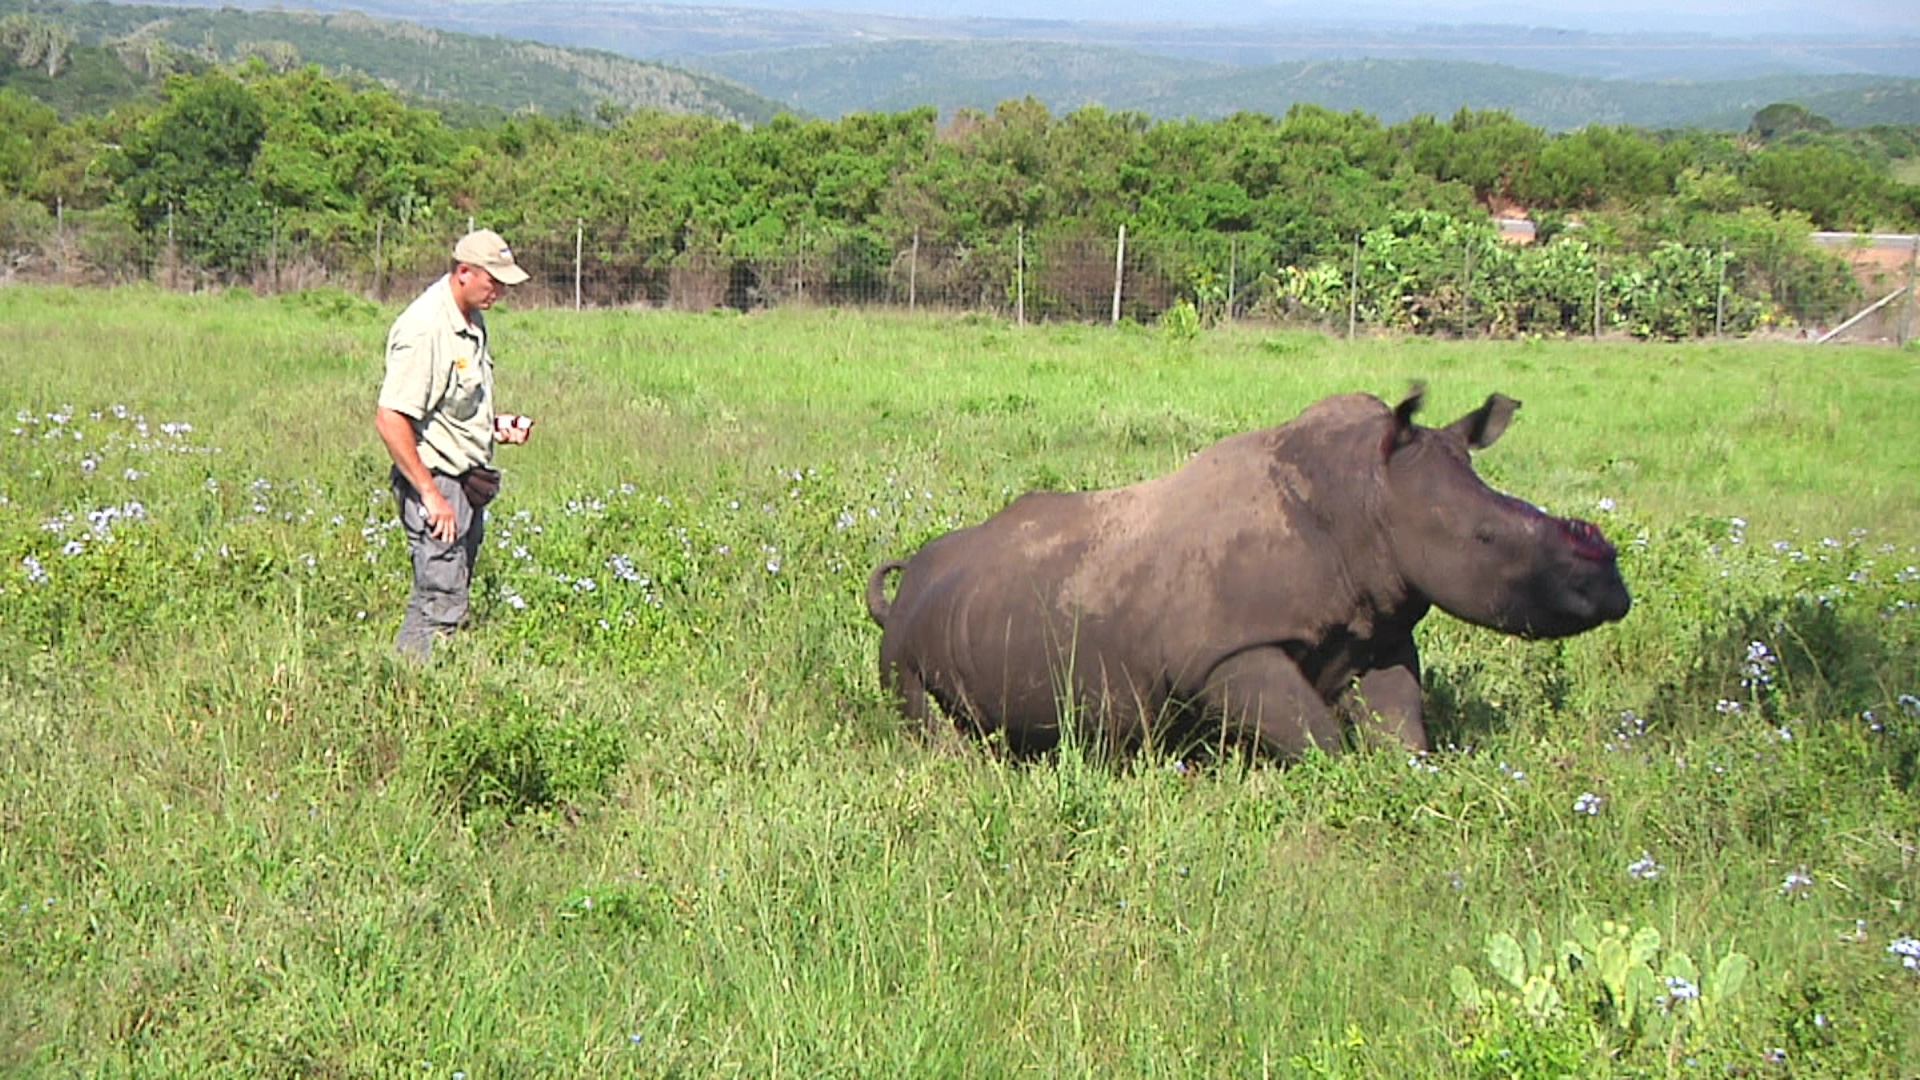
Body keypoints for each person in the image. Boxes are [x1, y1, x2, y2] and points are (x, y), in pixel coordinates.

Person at [375, 228, 534, 660]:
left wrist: (494, 426)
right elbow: (391, 418)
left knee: (445, 589)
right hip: (438, 482)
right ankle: (416, 695)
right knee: (441, 601)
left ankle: (411, 681)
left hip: (465, 480)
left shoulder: (469, 318)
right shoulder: (425, 328)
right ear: (464, 272)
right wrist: (430, 494)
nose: (499, 291)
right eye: (493, 280)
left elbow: (449, 405)